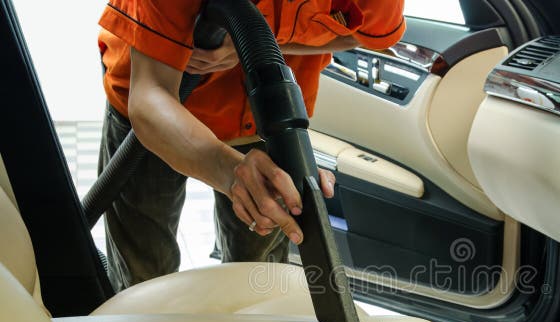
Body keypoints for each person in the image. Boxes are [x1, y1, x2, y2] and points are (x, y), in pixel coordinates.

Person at [97, 1, 406, 291]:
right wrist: (233, 175)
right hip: (157, 117)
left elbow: (363, 36)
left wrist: (254, 44)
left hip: (265, 116)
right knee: (143, 279)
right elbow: (151, 93)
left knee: (257, 281)